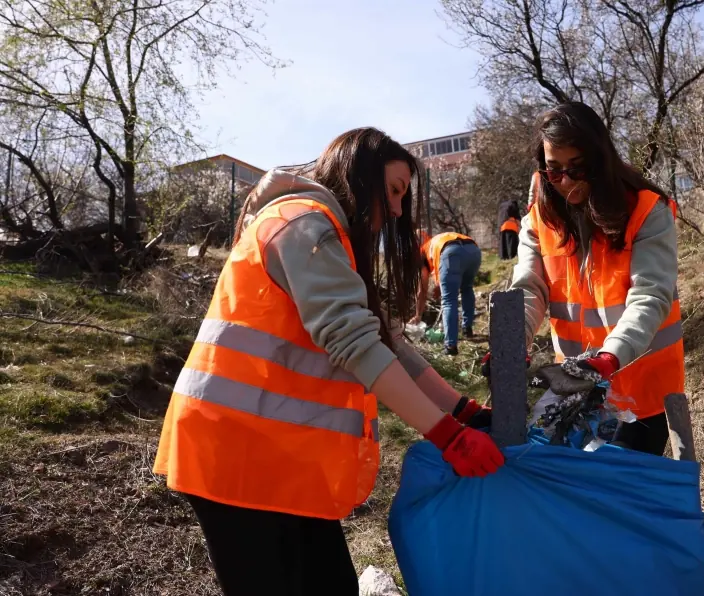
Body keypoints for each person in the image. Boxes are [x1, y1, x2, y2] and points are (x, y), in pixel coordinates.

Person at [152, 128, 503, 596]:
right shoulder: (301, 223)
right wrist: (448, 436)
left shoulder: (326, 235)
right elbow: (355, 344)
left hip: (273, 454)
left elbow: (388, 342)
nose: (398, 210)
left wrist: (463, 412)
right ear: (359, 173)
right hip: (232, 451)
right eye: (395, 190)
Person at [510, 102, 684, 456]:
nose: (567, 182)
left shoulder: (646, 211)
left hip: (642, 387)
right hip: (576, 388)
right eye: (554, 171)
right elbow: (529, 288)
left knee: (621, 487)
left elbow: (650, 295)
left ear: (600, 159)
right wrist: (511, 341)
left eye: (577, 168)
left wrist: (610, 358)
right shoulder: (538, 221)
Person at [410, 231, 482, 356]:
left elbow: (422, 290)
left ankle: (450, 346)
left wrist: (418, 315)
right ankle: (467, 329)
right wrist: (439, 286)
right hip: (473, 250)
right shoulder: (437, 240)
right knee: (467, 288)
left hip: (451, 253)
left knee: (449, 300)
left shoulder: (423, 251)